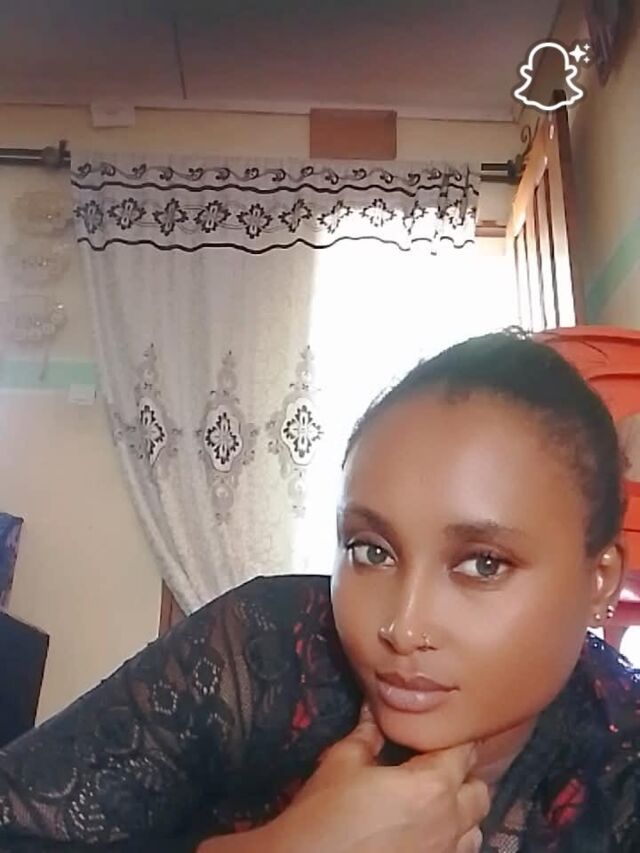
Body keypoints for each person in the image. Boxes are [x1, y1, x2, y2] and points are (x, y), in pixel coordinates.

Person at [0, 330, 638, 852]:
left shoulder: (622, 772)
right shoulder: (267, 651)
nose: (403, 627)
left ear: (599, 580)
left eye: (484, 564)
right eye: (372, 550)